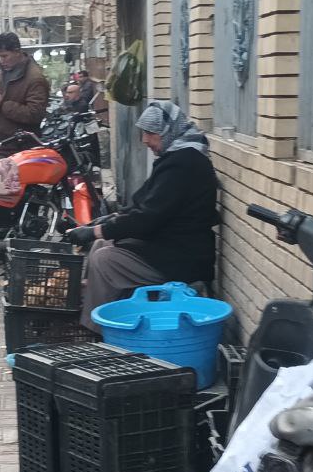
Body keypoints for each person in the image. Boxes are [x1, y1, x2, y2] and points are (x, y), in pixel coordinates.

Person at [64, 100, 219, 331]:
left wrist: (96, 230)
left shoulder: (184, 165)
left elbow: (147, 217)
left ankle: (94, 330)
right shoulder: (176, 158)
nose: (145, 140)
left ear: (168, 131)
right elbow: (141, 204)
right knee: (101, 244)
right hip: (167, 245)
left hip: (182, 257)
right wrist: (105, 222)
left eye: (150, 133)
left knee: (105, 259)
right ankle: (97, 309)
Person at [0, 32, 50, 159]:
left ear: (17, 51)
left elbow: (35, 113)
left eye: (5, 56)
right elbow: (1, 97)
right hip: (2, 145)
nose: (1, 60)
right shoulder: (5, 71)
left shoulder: (35, 78)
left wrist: (2, 104)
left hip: (21, 149)